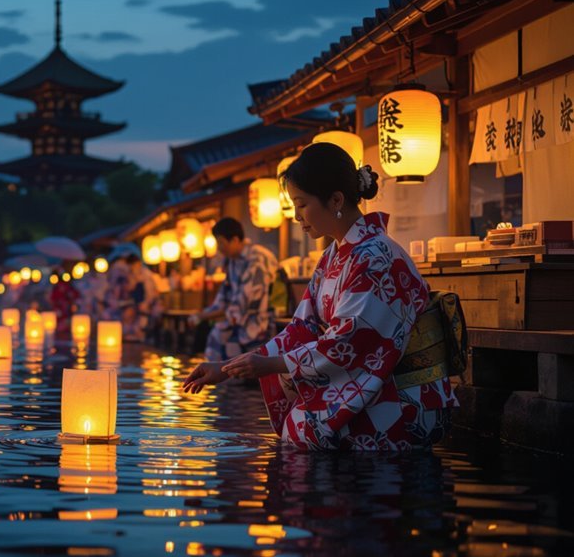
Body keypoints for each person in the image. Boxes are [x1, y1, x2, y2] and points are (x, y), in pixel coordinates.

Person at [183, 142, 458, 451]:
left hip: (404, 398)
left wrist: (273, 365)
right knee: (300, 432)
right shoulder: (335, 255)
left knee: (307, 433)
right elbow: (303, 327)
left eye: (301, 204)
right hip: (373, 383)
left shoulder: (376, 256)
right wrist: (228, 366)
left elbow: (350, 341)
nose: (297, 216)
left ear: (336, 199)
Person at [188, 217, 278, 361]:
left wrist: (205, 317)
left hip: (259, 322)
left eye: (221, 243)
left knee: (222, 341)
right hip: (238, 319)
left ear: (235, 240)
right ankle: (215, 380)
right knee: (215, 336)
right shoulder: (232, 262)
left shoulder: (257, 257)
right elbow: (223, 297)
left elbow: (245, 299)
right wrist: (201, 315)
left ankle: (227, 381)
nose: (219, 249)